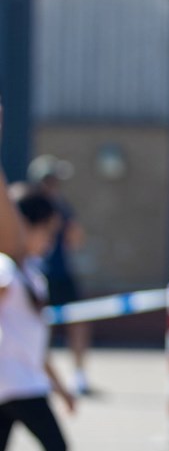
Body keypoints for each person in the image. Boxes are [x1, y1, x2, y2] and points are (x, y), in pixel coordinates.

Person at [0, 103, 98, 451]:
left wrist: (59, 385)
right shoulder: (5, 268)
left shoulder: (31, 271)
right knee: (58, 450)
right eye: (49, 232)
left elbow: (34, 342)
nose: (50, 240)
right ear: (27, 227)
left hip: (24, 382)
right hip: (12, 386)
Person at [28, 154, 95, 397]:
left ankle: (78, 374)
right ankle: (38, 374)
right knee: (35, 325)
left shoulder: (60, 206)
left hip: (60, 273)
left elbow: (75, 240)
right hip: (36, 274)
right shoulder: (31, 204)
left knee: (77, 322)